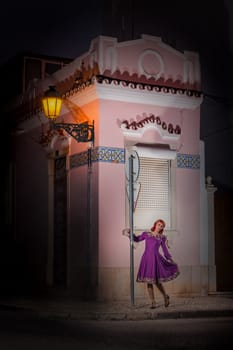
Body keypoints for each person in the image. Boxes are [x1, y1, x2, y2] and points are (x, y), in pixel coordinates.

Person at [123, 219, 179, 309]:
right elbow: (137, 239)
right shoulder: (146, 234)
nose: (160, 226)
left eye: (162, 226)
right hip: (147, 259)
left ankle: (165, 296)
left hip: (156, 259)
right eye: (159, 224)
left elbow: (165, 251)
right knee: (149, 282)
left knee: (157, 282)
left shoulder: (162, 237)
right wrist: (130, 233)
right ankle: (153, 302)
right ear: (155, 224)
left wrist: (171, 260)